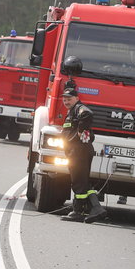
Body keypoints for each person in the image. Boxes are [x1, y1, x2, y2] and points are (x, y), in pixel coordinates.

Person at [59, 87, 107, 223]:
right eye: (65, 99)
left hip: (79, 151)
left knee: (78, 182)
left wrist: (81, 130)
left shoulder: (79, 108)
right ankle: (95, 209)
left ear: (77, 98)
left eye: (69, 99)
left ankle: (78, 212)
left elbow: (87, 114)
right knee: (82, 182)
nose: (66, 101)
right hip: (77, 151)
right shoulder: (71, 111)